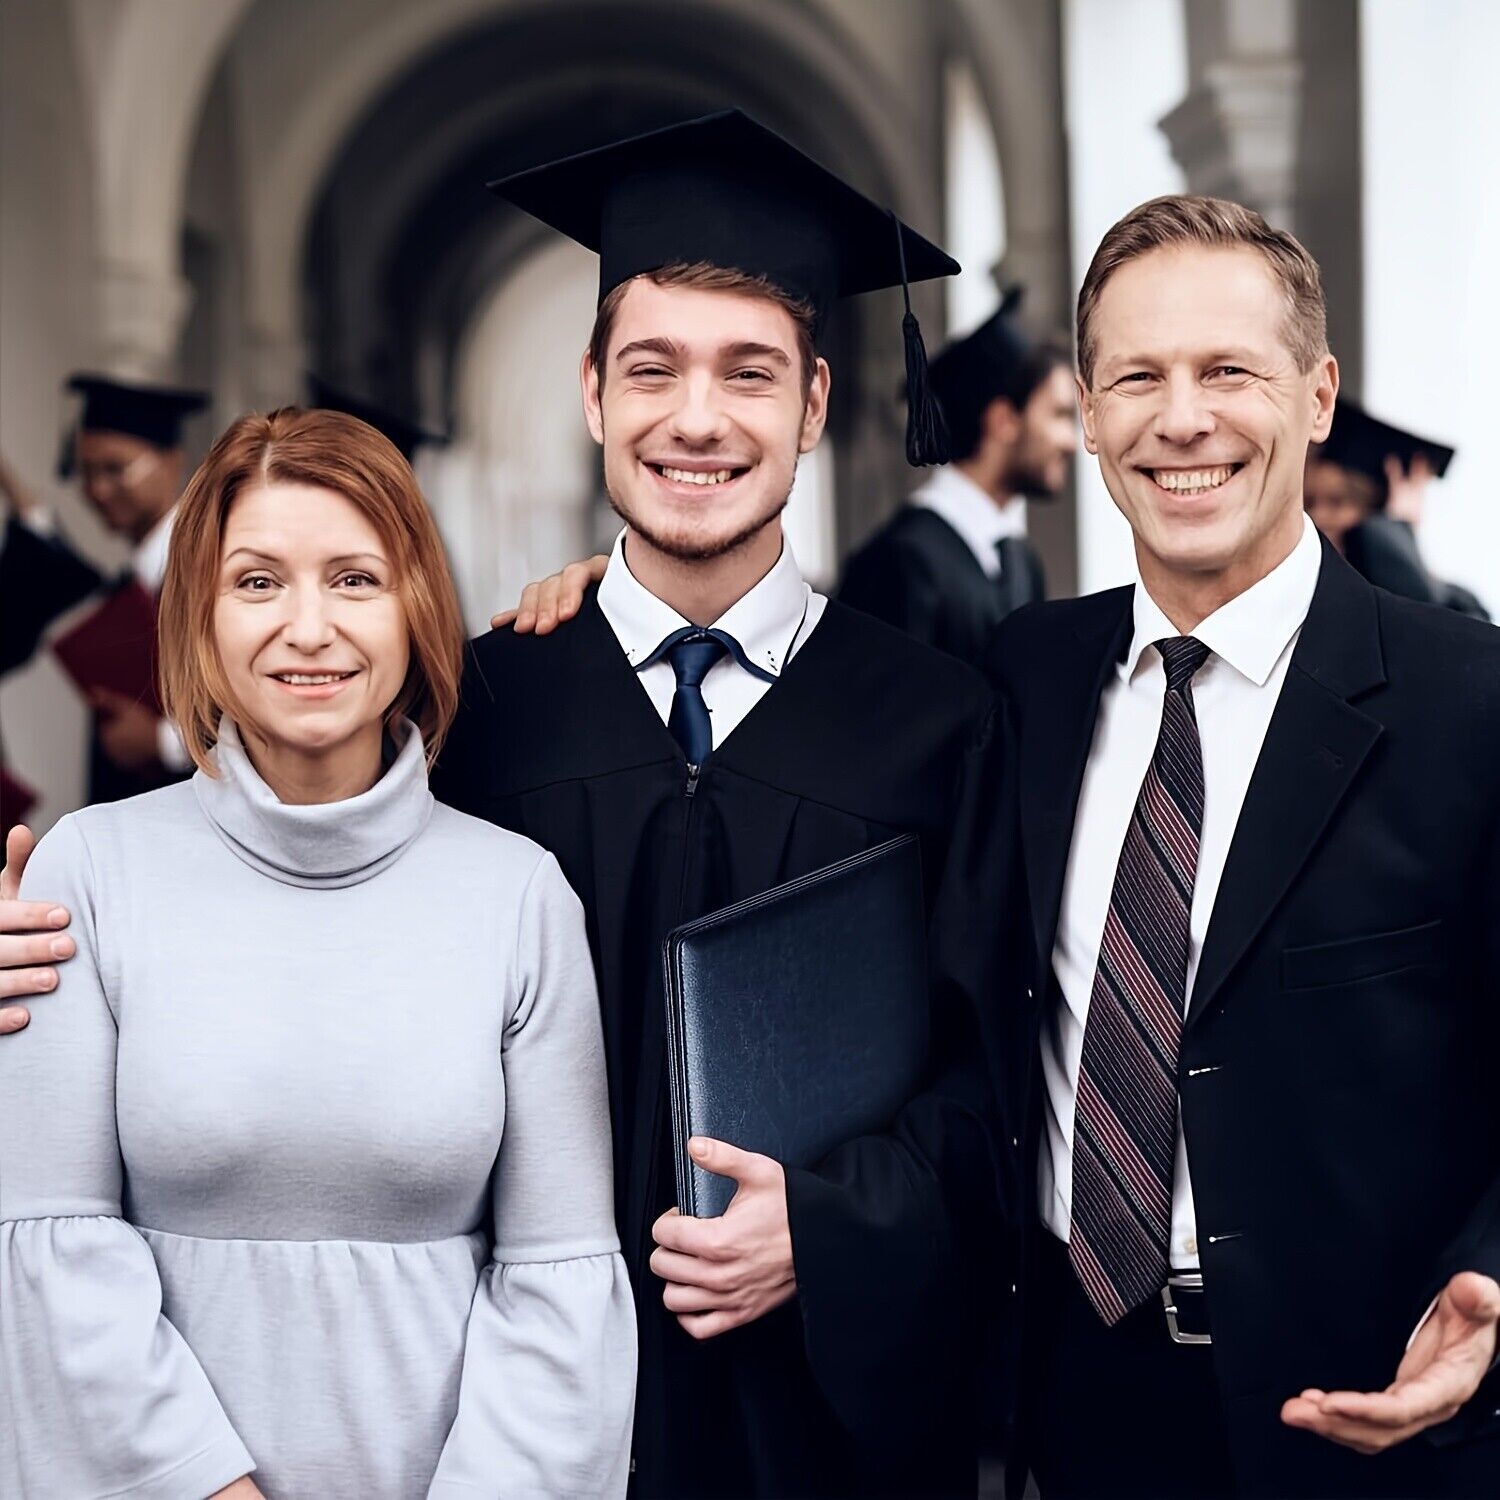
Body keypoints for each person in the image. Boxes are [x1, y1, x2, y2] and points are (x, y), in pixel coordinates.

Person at [443, 111, 1004, 1497]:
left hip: (825, 1429)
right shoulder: (480, 710)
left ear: (816, 404)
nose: (697, 418)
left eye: (750, 373)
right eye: (653, 369)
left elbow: (999, 1076)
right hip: (521, 1410)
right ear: (592, 393)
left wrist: (831, 1227)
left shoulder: (940, 724)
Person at [0, 407, 635, 1498]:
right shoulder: (89, 876)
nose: (308, 626)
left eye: (354, 578)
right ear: (200, 610)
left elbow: (559, 1284)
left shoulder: (517, 898)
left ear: (416, 606)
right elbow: (53, 1249)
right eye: (257, 581)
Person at [988, 194, 1500, 1498]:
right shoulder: (1016, 685)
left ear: (1318, 396)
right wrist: (611, 593)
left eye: (1230, 371)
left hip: (1373, 1413)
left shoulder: (1468, 701)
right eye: (1138, 377)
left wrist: (1497, 1275)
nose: (1184, 418)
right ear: (1090, 413)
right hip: (1079, 1406)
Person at [836, 288, 1077, 666]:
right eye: (1060, 415)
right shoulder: (900, 562)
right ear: (1003, 421)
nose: (1072, 442)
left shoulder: (1019, 560)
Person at [3, 374, 211, 803]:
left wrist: (163, 742)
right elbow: (61, 579)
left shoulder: (209, 571)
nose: (97, 489)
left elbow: (254, 706)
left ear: (171, 461)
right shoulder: (132, 581)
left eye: (115, 469)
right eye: (86, 473)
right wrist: (18, 495)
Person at [1305, 398, 1490, 620]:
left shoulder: (1460, 605)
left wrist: (1394, 532)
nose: (1319, 516)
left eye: (1336, 502)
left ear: (1374, 513)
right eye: (1309, 501)